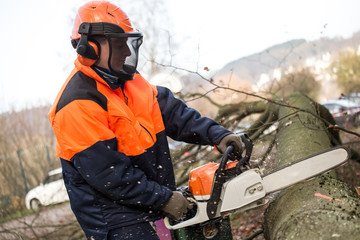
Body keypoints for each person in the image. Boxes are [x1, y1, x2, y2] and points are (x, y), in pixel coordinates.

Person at [48, 1, 243, 239]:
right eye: (120, 45)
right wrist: (164, 198)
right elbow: (110, 175)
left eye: (127, 44)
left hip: (149, 202)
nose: (128, 52)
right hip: (115, 220)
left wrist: (217, 135)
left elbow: (175, 114)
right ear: (91, 46)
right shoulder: (76, 105)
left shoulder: (131, 83)